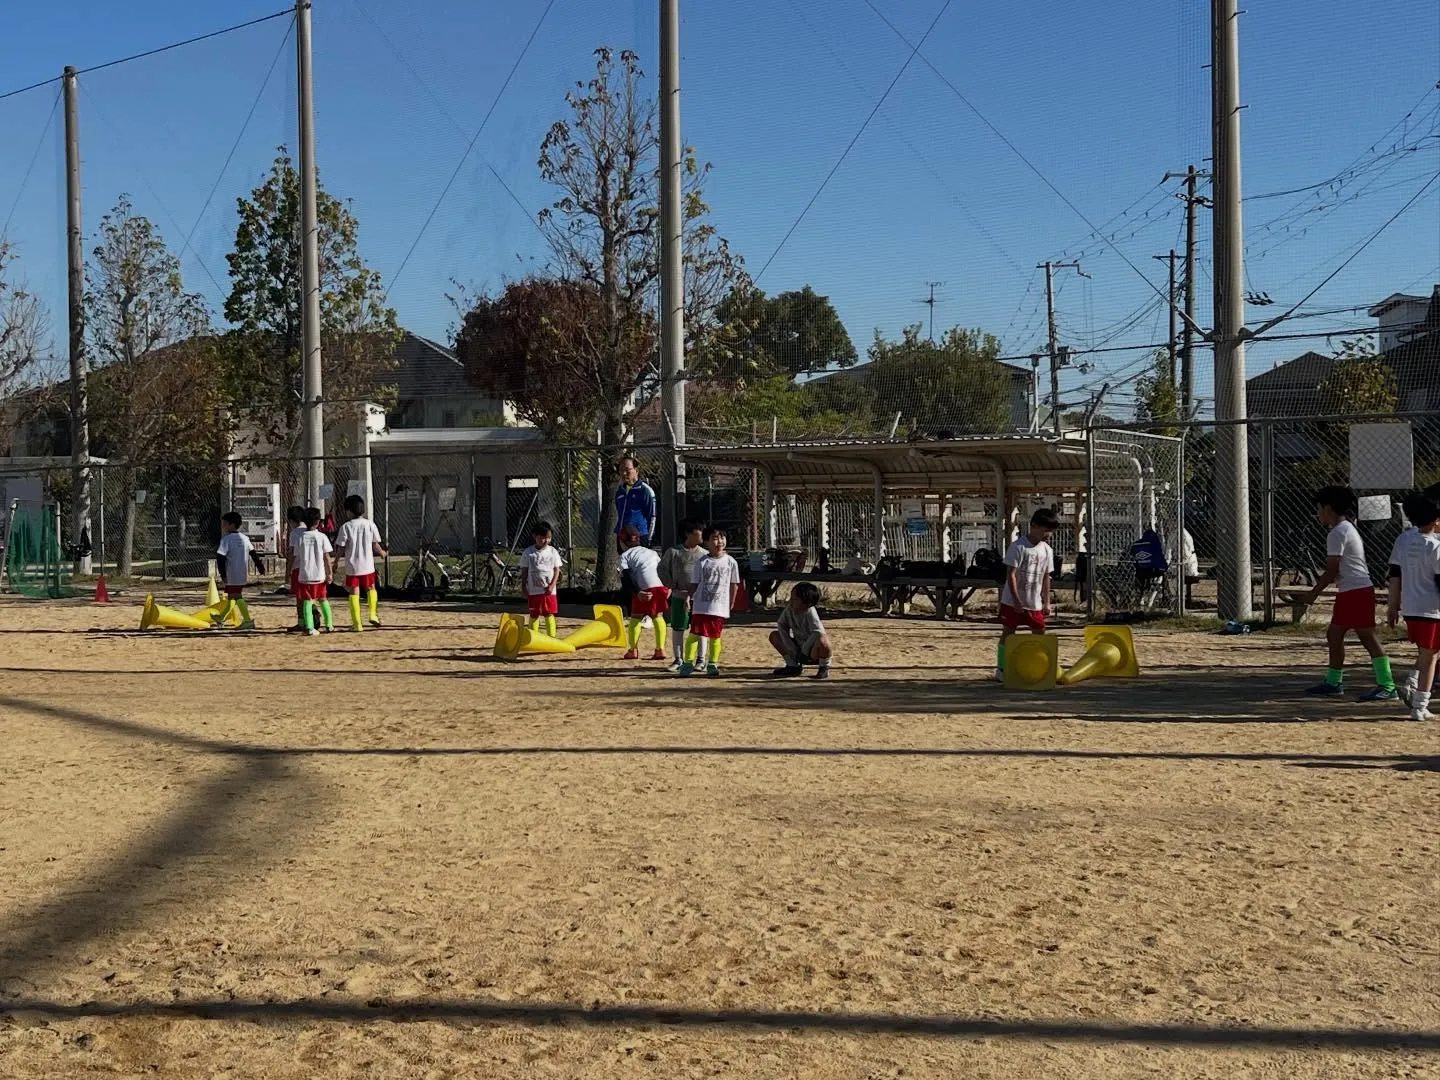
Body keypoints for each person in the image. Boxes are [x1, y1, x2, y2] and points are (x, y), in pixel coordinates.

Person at [1301, 486, 1395, 700]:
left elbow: (1332, 568)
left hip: (1356, 591)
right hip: (1353, 590)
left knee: (1367, 636)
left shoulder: (1338, 532)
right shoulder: (1344, 528)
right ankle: (1334, 682)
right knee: (1335, 634)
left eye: (1319, 508)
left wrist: (1314, 593)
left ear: (1329, 508)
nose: (1318, 513)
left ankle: (1387, 685)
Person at [1387, 491, 1440, 722]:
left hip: (1411, 608)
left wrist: (1392, 606)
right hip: (1432, 608)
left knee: (1426, 652)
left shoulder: (1404, 540)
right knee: (1431, 656)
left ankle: (1412, 685)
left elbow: (1395, 575)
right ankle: (1420, 704)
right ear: (1435, 519)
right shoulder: (1435, 547)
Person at [995, 508, 1058, 682]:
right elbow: (1011, 574)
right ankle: (1001, 668)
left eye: (1051, 531)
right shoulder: (1019, 546)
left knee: (1040, 632)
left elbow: (1046, 577)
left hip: (1034, 602)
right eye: (1046, 530)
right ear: (1034, 526)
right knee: (1008, 632)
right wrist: (1016, 600)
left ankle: (1039, 664)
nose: (1048, 534)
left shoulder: (1047, 550)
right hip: (1012, 601)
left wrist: (1047, 602)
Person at [681, 526, 742, 678]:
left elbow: (734, 583)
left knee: (715, 637)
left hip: (719, 607)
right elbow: (694, 583)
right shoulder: (702, 562)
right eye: (714, 538)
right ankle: (687, 663)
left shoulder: (731, 562)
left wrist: (732, 602)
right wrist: (688, 597)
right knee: (694, 635)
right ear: (706, 542)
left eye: (722, 537)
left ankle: (712, 664)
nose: (719, 541)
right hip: (701, 607)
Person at [334, 495, 388, 632]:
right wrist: (382, 553)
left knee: (354, 593)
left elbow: (341, 548)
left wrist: (335, 562)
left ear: (348, 511)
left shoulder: (346, 527)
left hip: (352, 566)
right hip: (368, 565)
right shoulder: (370, 524)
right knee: (371, 588)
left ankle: (357, 624)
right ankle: (372, 614)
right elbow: (375, 544)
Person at [659, 519, 706, 669]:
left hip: (699, 598)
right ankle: (678, 659)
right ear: (687, 533)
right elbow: (661, 569)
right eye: (698, 531)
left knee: (700, 629)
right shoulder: (674, 552)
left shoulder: (704, 554)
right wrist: (670, 584)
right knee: (678, 628)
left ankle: (701, 659)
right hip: (679, 595)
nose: (701, 534)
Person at [618, 526, 669, 660]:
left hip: (643, 588)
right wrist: (668, 587)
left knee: (635, 618)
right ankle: (660, 649)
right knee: (658, 617)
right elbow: (662, 570)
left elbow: (627, 577)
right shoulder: (651, 553)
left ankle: (633, 650)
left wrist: (637, 592)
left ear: (622, 542)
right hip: (660, 586)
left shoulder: (625, 556)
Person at [770, 581, 832, 679]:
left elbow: (818, 632)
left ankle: (824, 667)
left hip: (812, 651)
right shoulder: (789, 609)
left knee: (824, 640)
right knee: (774, 635)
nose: (791, 602)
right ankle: (792, 666)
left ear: (807, 603)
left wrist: (805, 650)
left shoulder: (810, 613)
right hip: (797, 648)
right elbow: (781, 624)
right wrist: (789, 645)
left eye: (795, 599)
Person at [295, 506, 336, 636]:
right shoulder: (322, 537)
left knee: (307, 601)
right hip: (319, 575)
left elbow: (298, 556)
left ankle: (310, 627)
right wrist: (329, 573)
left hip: (305, 575)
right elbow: (326, 557)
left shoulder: (300, 538)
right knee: (323, 599)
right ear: (318, 522)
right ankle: (329, 625)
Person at [519, 521, 564, 638]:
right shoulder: (528, 553)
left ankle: (552, 637)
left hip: (548, 591)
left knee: (549, 614)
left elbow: (556, 570)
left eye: (548, 538)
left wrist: (552, 585)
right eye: (542, 538)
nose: (546, 541)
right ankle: (533, 638)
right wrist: (523, 586)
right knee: (534, 614)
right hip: (534, 590)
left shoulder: (553, 552)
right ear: (535, 536)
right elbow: (524, 570)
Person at [214, 511, 257, 630]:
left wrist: (222, 573)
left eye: (225, 524)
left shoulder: (226, 539)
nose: (223, 526)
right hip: (242, 573)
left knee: (236, 596)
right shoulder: (244, 538)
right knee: (232, 597)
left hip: (231, 573)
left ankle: (248, 620)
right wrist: (260, 566)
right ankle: (221, 617)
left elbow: (220, 557)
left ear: (231, 525)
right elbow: (253, 552)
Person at [614, 456, 657, 552]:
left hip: (640, 536)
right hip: (623, 537)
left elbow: (652, 516)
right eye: (621, 470)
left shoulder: (645, 490)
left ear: (636, 470)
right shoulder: (620, 492)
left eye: (627, 470)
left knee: (638, 565)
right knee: (624, 565)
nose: (624, 473)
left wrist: (648, 539)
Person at [283, 505, 308, 632]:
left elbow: (291, 554)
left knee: (299, 598)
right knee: (310, 597)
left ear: (292, 520)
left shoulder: (295, 533)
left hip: (298, 568)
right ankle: (310, 619)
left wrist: (288, 571)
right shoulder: (310, 530)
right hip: (311, 568)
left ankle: (302, 621)